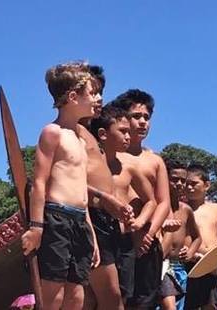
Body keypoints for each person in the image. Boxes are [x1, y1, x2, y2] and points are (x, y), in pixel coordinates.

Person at [20, 61, 101, 310]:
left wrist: (92, 235)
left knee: (77, 293)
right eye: (93, 92)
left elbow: (81, 191)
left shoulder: (80, 138)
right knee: (52, 291)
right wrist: (36, 227)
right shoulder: (52, 132)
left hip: (79, 220)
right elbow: (40, 182)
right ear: (73, 97)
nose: (98, 98)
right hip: (56, 218)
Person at [111, 90, 172, 309]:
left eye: (147, 117)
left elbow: (163, 201)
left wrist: (149, 233)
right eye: (137, 116)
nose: (143, 122)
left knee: (145, 301)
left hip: (148, 239)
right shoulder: (112, 155)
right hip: (117, 238)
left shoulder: (154, 161)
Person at [81, 65, 135, 310]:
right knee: (107, 298)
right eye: (92, 91)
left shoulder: (89, 133)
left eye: (100, 91)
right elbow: (64, 180)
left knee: (110, 297)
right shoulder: (68, 132)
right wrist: (104, 198)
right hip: (88, 217)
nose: (99, 98)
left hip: (106, 221)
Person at [183, 164, 217, 310]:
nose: (189, 187)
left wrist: (216, 263)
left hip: (213, 266)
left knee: (210, 305)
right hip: (189, 265)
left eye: (194, 183)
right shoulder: (181, 209)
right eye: (186, 184)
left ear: (206, 185)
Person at [159, 159, 202, 310]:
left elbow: (197, 237)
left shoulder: (186, 210)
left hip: (179, 267)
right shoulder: (159, 206)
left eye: (183, 181)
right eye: (174, 179)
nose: (179, 184)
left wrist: (190, 252)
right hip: (161, 265)